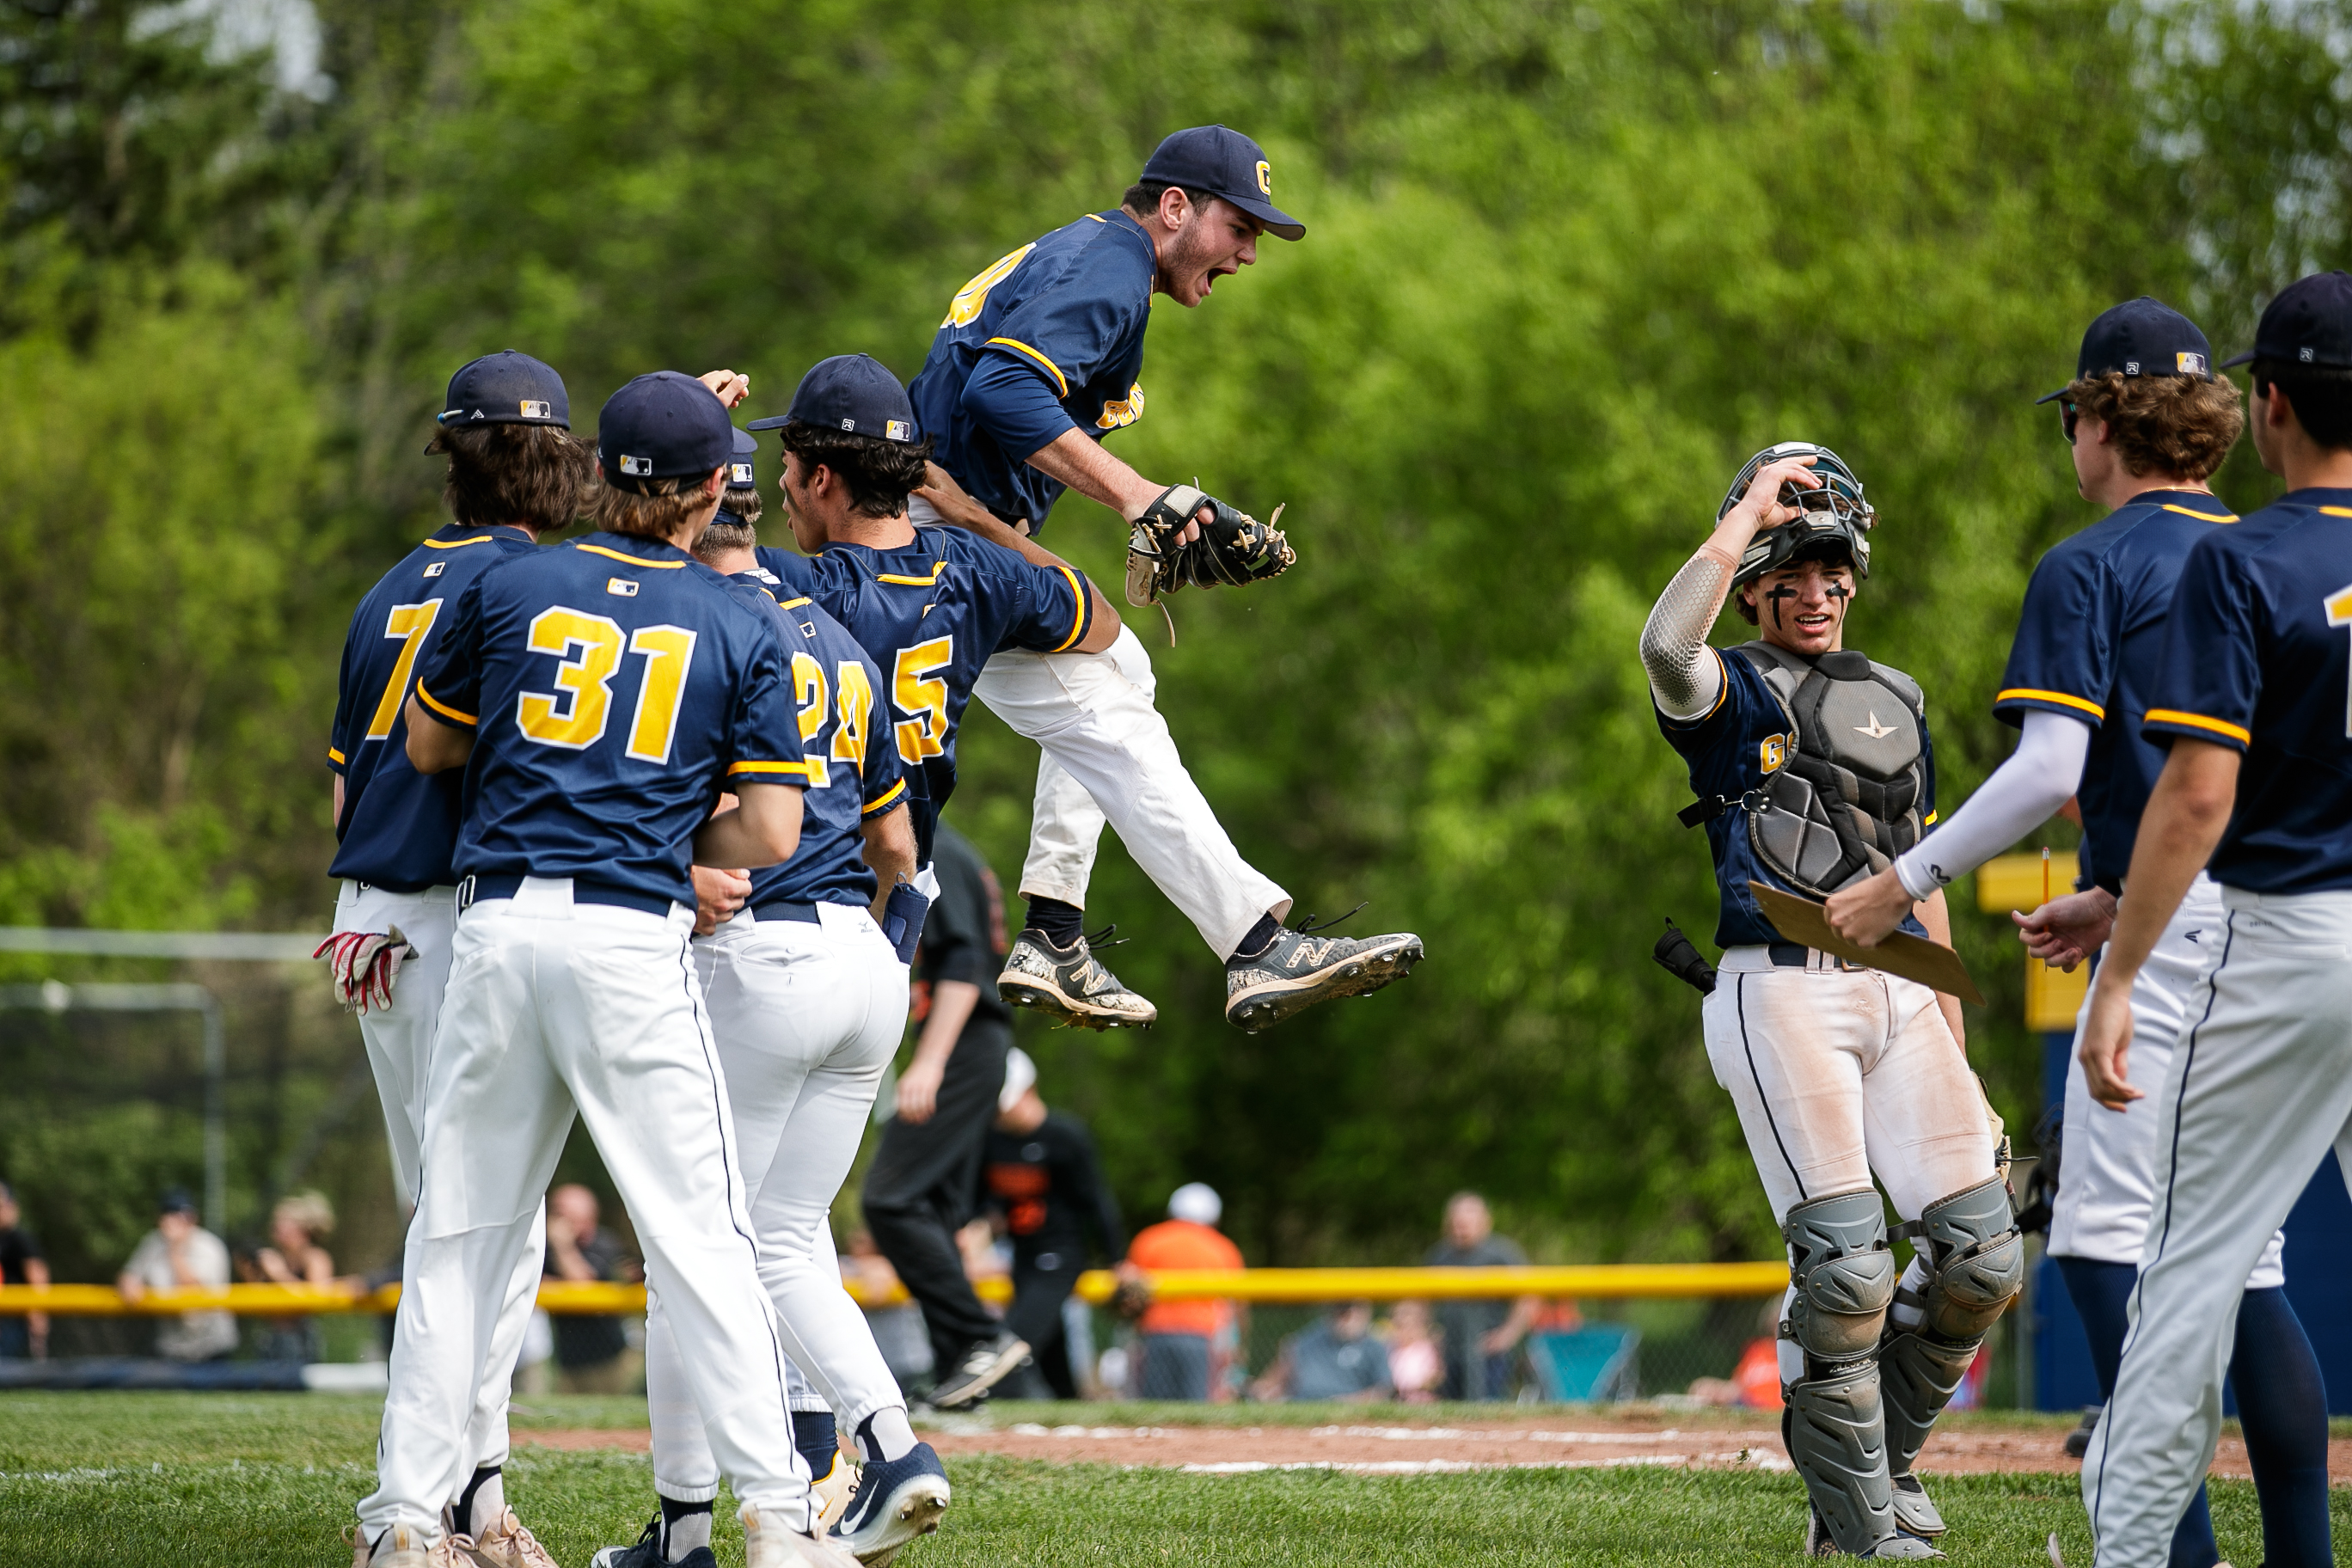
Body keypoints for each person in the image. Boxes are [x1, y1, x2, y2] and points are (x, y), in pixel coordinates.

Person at [1823, 297, 2332, 1568]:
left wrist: (1908, 878)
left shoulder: (2095, 563)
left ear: (2101, 422)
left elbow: (2055, 764)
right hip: (2258, 903)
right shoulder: (2267, 543)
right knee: (2250, 1261)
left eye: (2076, 418)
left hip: (2207, 944)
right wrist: (2116, 891)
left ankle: (2173, 1552)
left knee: (2105, 1246)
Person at [361, 369, 854, 1568]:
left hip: (494, 928)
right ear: (705, 490)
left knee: (459, 1233)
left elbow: (427, 741)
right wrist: (673, 828)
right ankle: (778, 1521)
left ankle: (401, 1523)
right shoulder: (741, 616)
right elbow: (773, 836)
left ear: (601, 471)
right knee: (703, 1237)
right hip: (629, 935)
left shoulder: (514, 578)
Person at [905, 124, 1423, 1032]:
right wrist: (1142, 497)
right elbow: (1000, 393)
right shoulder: (1110, 259)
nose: (1251, 253)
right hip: (935, 536)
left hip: (961, 529)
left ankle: (1056, 932)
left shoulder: (1097, 261)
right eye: (1242, 226)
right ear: (1176, 207)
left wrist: (1146, 513)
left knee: (1123, 678)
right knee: (1108, 713)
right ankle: (1256, 946)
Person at [594, 377, 947, 1568]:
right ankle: (893, 1443)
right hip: (862, 962)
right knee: (781, 1239)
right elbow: (899, 846)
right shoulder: (836, 635)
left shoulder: (696, 620)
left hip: (759, 956)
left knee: (689, 1247)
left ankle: (687, 1527)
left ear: (696, 512)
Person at [1638, 443, 2015, 1559]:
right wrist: (1748, 510)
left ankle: (1878, 1467)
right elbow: (1665, 642)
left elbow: (1921, 867)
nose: (1813, 592)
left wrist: (1954, 1032)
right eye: (1786, 573)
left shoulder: (1896, 695)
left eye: (1829, 570)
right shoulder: (1725, 685)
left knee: (1984, 1255)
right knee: (1849, 1272)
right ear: (1753, 581)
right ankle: (1856, 1530)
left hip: (1900, 989)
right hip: (1782, 990)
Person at [2071, 271, 2352, 1568]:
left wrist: (2121, 967)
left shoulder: (2247, 555)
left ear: (2273, 400)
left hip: (2291, 939)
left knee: (2194, 1273)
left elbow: (2196, 794)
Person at [320, 350, 588, 1561]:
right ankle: (424, 1507)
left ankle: (470, 1493)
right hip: (451, 917)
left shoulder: (389, 589)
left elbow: (341, 804)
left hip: (375, 912)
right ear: (561, 460)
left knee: (472, 1217)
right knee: (477, 1225)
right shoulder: (534, 587)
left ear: (449, 454)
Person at [861, 818, 1028, 1409]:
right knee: (933, 1208)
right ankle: (963, 1370)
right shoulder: (942, 845)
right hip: (966, 1047)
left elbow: (965, 965)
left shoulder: (939, 850)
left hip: (964, 1045)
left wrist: (930, 1062)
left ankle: (982, 1338)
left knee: (889, 1199)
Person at [975, 1048, 1128, 1400]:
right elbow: (986, 1200)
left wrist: (1117, 1259)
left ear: (1028, 1090)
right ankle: (1071, 1405)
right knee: (1052, 1361)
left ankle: (990, 1405)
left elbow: (1096, 1200)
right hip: (1022, 1255)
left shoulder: (1065, 1136)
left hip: (1061, 1254)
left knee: (1014, 1344)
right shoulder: (992, 1140)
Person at [1122, 1183, 1243, 1402]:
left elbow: (1130, 1298)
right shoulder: (1223, 1247)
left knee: (1152, 1409)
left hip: (1155, 1334)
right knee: (1198, 1408)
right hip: (1202, 1338)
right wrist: (1237, 1348)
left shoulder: (1149, 1240)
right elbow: (1235, 1306)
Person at [1424, 1192, 1539, 1402]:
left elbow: (1528, 1296)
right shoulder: (1440, 1255)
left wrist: (1507, 1335)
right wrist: (1430, 1333)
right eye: (1456, 1224)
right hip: (1451, 1351)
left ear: (1485, 1223)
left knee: (1488, 1408)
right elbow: (1422, 1300)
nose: (1461, 1229)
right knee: (1452, 1409)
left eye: (1467, 1223)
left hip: (1489, 1352)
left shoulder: (1501, 1254)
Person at [542, 1184, 640, 1395]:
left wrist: (563, 1247)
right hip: (566, 1359)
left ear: (587, 1216)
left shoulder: (604, 1244)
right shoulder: (546, 1248)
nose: (558, 1218)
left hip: (608, 1359)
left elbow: (584, 1285)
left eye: (564, 1212)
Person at [117, 1188, 236, 1363]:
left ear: (193, 1218)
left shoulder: (210, 1246)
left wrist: (174, 1250)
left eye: (181, 1215)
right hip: (172, 1347)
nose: (174, 1220)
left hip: (211, 1347)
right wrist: (130, 1285)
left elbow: (193, 1292)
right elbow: (128, 1276)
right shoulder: (153, 1243)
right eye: (168, 1213)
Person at [252, 1190, 339, 1363]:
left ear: (303, 1229)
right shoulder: (277, 1257)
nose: (276, 1227)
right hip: (272, 1337)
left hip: (302, 1340)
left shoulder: (316, 1258)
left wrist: (278, 1274)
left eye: (283, 1223)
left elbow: (315, 1298)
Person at [1250, 1302, 1388, 1404]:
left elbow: (1383, 1390)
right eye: (1339, 1309)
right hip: (1301, 1404)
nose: (1343, 1316)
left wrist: (1347, 1401)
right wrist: (1263, 1389)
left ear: (1364, 1312)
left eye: (1349, 1310)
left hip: (1345, 1405)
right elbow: (1277, 1377)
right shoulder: (1310, 1339)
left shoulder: (1373, 1346)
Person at [0, 1180, 50, 1360]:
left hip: (15, 1320)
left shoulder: (20, 1239)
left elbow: (37, 1277)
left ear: (12, 1206)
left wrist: (38, 1315)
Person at [1384, 1301, 1442, 1403]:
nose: (1404, 1331)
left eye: (1408, 1326)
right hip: (1396, 1398)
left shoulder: (1424, 1349)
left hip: (1421, 1398)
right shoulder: (1391, 1349)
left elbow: (1434, 1377)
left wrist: (1412, 1386)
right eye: (1399, 1327)